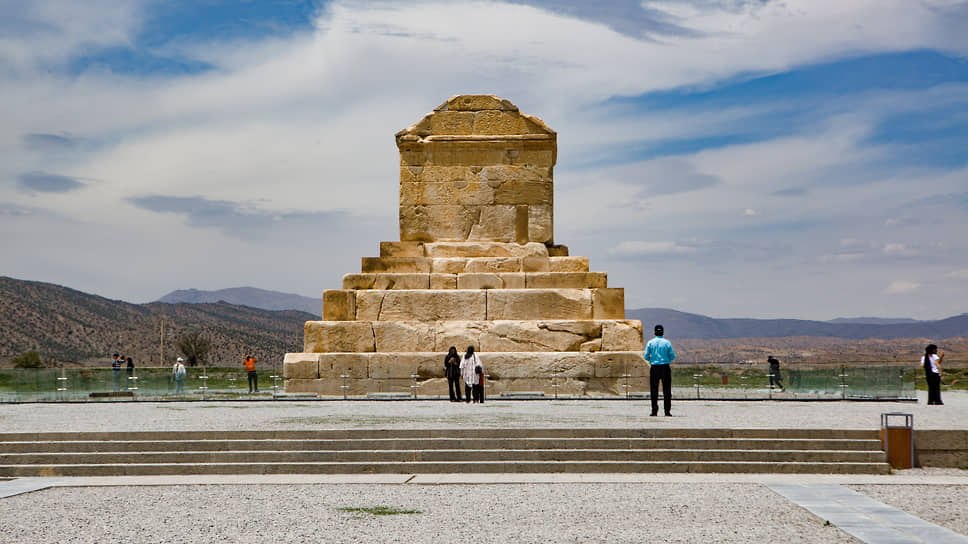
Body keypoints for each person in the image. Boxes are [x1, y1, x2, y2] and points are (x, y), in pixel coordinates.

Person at [644, 324, 676, 416]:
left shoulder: (651, 342)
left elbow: (646, 356)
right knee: (667, 390)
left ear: (654, 332)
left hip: (654, 367)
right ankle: (667, 411)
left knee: (654, 390)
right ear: (663, 332)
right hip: (665, 367)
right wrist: (666, 360)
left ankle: (654, 411)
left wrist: (652, 360)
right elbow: (672, 355)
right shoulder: (667, 343)